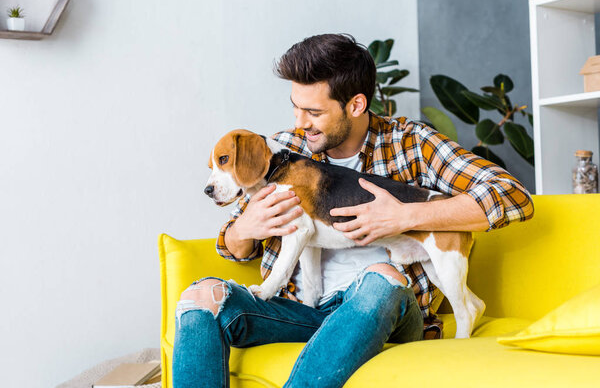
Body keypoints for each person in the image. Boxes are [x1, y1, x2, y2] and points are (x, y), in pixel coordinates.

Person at [172, 33, 534, 388]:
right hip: (303, 312)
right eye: (296, 107)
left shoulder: (412, 143)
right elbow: (231, 247)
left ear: (356, 105)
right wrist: (245, 227)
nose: (300, 122)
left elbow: (511, 196)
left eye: (313, 112)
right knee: (199, 297)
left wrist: (407, 216)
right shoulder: (284, 151)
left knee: (380, 277)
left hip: (387, 308)